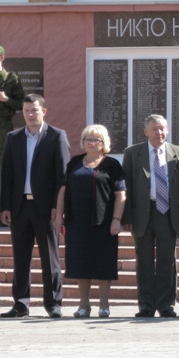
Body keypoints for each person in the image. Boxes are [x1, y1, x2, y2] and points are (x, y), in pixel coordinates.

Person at [0, 94, 70, 318]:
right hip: (20, 207)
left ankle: (53, 303)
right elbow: (7, 174)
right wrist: (5, 206)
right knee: (20, 257)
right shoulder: (13, 137)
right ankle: (20, 303)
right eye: (26, 110)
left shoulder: (56, 136)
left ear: (43, 111)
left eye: (34, 110)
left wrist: (58, 206)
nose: (30, 114)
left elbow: (62, 176)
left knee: (50, 258)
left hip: (46, 208)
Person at [55, 125, 126, 318]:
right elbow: (63, 191)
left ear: (104, 143)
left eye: (96, 140)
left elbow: (121, 195)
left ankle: (104, 304)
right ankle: (83, 305)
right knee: (80, 264)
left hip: (104, 224)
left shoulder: (112, 164)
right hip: (77, 223)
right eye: (88, 139)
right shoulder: (75, 162)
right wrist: (59, 216)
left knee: (103, 263)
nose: (92, 143)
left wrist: (116, 220)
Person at [122, 115, 179, 318]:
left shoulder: (178, 153)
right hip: (142, 212)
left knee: (167, 260)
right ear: (145, 131)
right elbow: (126, 185)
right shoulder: (133, 153)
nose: (159, 133)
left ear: (167, 130)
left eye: (162, 129)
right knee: (144, 260)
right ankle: (146, 306)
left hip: (167, 213)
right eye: (154, 129)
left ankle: (166, 305)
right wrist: (126, 217)